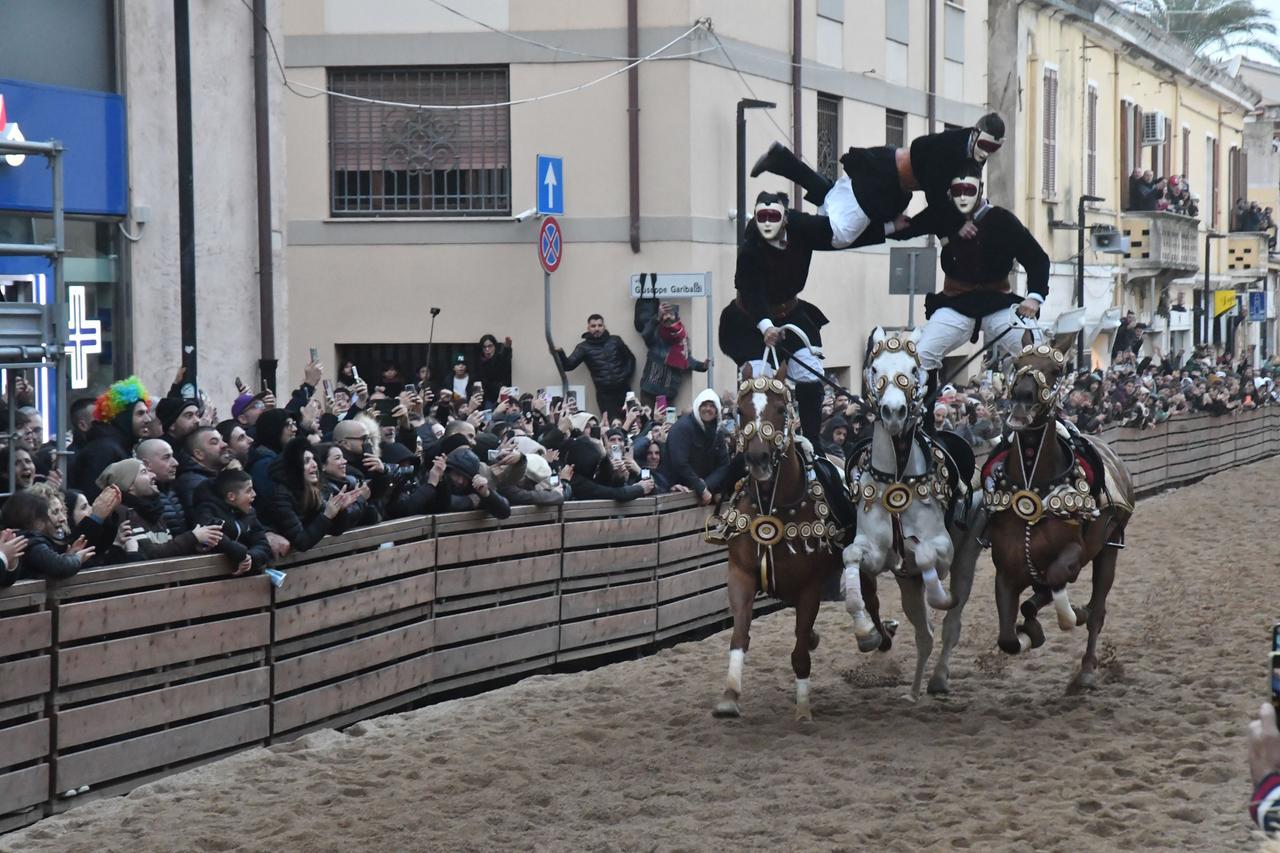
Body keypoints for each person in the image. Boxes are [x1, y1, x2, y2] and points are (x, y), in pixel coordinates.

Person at [889, 163, 1049, 399]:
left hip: (998, 304)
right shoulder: (942, 216)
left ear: (981, 189)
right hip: (956, 304)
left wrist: (1034, 297)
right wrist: (891, 221)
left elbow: (1037, 259)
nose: (963, 197)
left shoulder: (1003, 220)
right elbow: (906, 229)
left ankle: (1042, 416)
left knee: (1035, 353)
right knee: (920, 356)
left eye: (969, 190)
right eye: (957, 191)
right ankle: (923, 417)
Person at [750, 113, 1005, 249]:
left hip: (891, 185)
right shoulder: (950, 146)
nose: (985, 153)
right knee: (840, 235)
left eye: (991, 150)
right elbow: (936, 194)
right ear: (975, 134)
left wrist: (959, 222)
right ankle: (784, 217)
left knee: (832, 198)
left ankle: (782, 160)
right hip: (883, 180)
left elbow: (950, 198)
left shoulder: (971, 157)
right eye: (983, 145)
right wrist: (952, 229)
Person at [95, 458, 223, 561]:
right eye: (144, 472)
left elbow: (168, 549)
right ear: (129, 486)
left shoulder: (152, 510)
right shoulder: (122, 513)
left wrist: (196, 544)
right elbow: (149, 554)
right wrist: (192, 537)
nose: (153, 475)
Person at [262, 438, 362, 553]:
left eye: (314, 459)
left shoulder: (315, 490)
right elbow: (301, 542)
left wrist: (340, 510)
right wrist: (327, 515)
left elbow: (336, 530)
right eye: (307, 461)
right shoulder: (281, 495)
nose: (314, 465)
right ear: (295, 467)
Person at [70, 376, 153, 498]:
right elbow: (94, 496)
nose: (148, 419)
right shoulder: (103, 450)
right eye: (140, 413)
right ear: (123, 417)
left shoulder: (121, 445)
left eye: (147, 412)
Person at [557, 314, 637, 420]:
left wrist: (625, 376)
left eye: (600, 325)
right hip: (605, 394)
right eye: (593, 326)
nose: (597, 329)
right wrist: (560, 353)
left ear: (604, 326)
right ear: (588, 328)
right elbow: (568, 366)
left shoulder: (615, 341)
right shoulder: (583, 347)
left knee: (632, 421)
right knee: (611, 424)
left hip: (624, 390)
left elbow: (630, 359)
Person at [0, 490, 94, 580]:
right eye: (54, 512)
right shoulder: (30, 542)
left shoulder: (17, 539)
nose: (63, 518)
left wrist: (69, 556)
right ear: (35, 520)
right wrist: (77, 558)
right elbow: (59, 567)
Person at [661, 388, 732, 505]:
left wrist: (706, 485)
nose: (708, 409)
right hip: (676, 491)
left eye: (712, 406)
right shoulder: (682, 428)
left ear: (717, 410)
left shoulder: (717, 432)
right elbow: (680, 463)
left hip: (704, 493)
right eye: (704, 405)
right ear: (697, 407)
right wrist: (700, 487)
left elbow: (724, 464)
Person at [194, 468, 272, 576]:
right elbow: (212, 535)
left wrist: (250, 558)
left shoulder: (250, 514)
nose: (254, 494)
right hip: (212, 578)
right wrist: (240, 553)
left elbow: (263, 545)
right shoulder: (208, 510)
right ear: (231, 496)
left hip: (246, 579)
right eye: (249, 490)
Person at [638, 303, 711, 410]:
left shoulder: (682, 338)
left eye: (670, 314)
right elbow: (645, 334)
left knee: (666, 423)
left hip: (668, 391)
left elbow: (686, 360)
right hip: (650, 388)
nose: (667, 317)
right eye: (664, 315)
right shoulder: (656, 333)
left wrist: (703, 366)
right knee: (646, 419)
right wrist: (656, 318)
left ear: (676, 316)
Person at [135, 438, 189, 537]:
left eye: (173, 456)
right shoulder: (139, 497)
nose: (175, 463)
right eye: (166, 457)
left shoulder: (178, 488)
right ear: (146, 464)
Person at [175, 426, 233, 516]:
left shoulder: (214, 476)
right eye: (214, 442)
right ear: (199, 454)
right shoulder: (194, 483)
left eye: (222, 440)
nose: (224, 444)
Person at [441, 446, 511, 518]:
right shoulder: (441, 479)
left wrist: (487, 494)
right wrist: (470, 501)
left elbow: (504, 512)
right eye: (457, 474)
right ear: (448, 471)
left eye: (465, 478)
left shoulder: (474, 485)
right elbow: (439, 502)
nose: (460, 481)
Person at [475, 334, 513, 406]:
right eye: (484, 347)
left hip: (503, 397)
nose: (487, 349)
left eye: (490, 346)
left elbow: (506, 361)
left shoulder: (500, 359)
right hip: (488, 400)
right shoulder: (479, 363)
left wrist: (507, 348)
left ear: (495, 346)